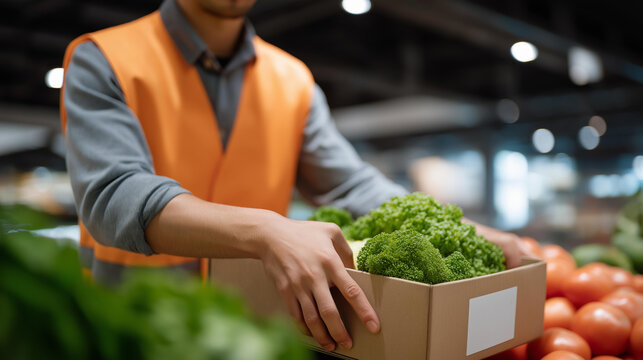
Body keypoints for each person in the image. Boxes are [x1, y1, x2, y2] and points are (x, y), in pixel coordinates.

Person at [61, 0, 530, 352]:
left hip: (248, 337)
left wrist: (461, 231)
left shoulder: (292, 80)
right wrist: (267, 231)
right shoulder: (102, 58)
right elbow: (114, 196)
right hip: (127, 334)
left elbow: (348, 186)